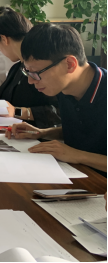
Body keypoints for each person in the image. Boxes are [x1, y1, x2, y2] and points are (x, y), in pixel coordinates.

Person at [6, 23, 107, 176]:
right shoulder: (64, 87)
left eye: (36, 73)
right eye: (27, 72)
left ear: (70, 64)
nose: (31, 81)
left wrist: (78, 155)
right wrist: (42, 133)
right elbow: (84, 130)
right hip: (76, 174)